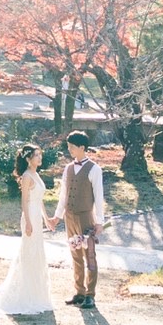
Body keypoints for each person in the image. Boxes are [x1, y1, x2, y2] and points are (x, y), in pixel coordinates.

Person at [0, 143, 57, 314]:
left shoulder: (36, 174)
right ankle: (26, 294)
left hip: (36, 216)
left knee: (37, 252)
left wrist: (47, 218)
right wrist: (28, 222)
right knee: (29, 252)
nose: (39, 158)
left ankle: (37, 293)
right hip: (29, 216)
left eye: (40, 155)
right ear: (28, 159)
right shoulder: (27, 176)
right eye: (36, 155)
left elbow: (39, 199)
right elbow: (24, 201)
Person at [52, 130, 106, 307]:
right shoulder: (68, 168)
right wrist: (57, 217)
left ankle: (91, 294)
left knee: (89, 255)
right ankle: (79, 292)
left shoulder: (94, 169)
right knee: (75, 255)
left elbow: (99, 197)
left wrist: (99, 221)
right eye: (68, 147)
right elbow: (63, 195)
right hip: (70, 218)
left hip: (85, 218)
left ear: (82, 147)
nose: (70, 150)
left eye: (72, 147)